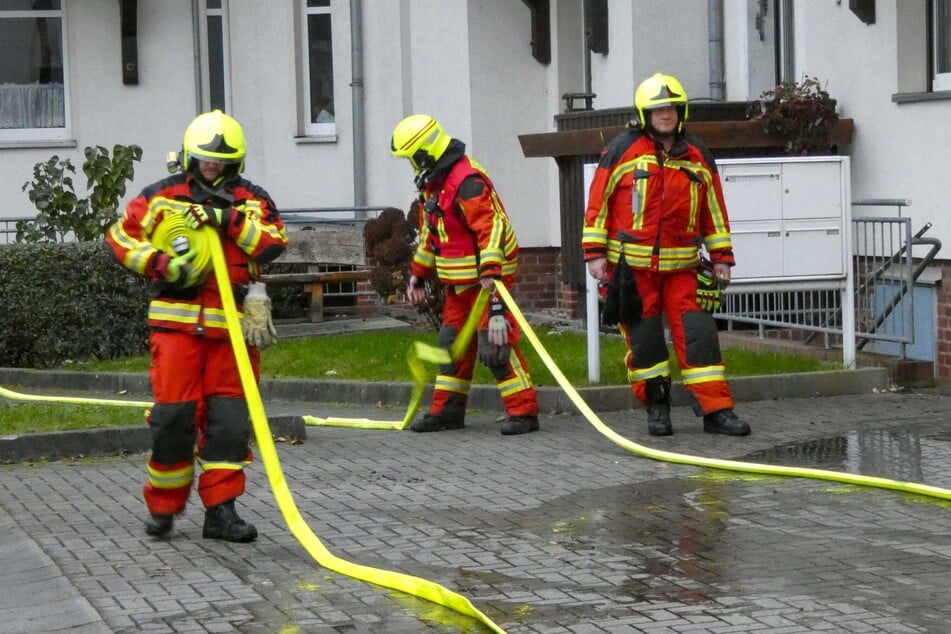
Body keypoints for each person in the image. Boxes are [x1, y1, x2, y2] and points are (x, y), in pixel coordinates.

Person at [106, 110, 288, 541]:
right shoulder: (163, 197)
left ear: (235, 161)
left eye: (221, 160)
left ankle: (221, 512)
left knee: (228, 422)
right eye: (205, 159)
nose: (213, 166)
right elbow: (120, 237)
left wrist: (227, 220)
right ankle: (164, 508)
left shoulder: (249, 199)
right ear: (190, 156)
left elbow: (274, 242)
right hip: (176, 331)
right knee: (173, 419)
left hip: (232, 333)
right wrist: (163, 266)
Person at [582, 73, 752, 437]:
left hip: (683, 270)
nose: (665, 114)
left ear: (681, 111)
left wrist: (721, 257)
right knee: (646, 343)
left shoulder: (697, 155)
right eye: (658, 109)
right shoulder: (621, 150)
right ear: (645, 113)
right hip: (632, 270)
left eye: (671, 108)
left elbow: (714, 211)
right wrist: (595, 255)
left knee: (700, 336)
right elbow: (597, 205)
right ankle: (657, 408)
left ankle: (716, 411)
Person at [390, 114, 540, 435]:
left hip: (488, 279)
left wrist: (490, 269)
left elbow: (492, 226)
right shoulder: (434, 186)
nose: (411, 168)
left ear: (423, 154)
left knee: (495, 344)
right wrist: (418, 274)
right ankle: (448, 411)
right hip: (459, 283)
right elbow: (433, 235)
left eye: (411, 160)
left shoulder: (466, 181)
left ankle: (524, 412)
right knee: (451, 344)